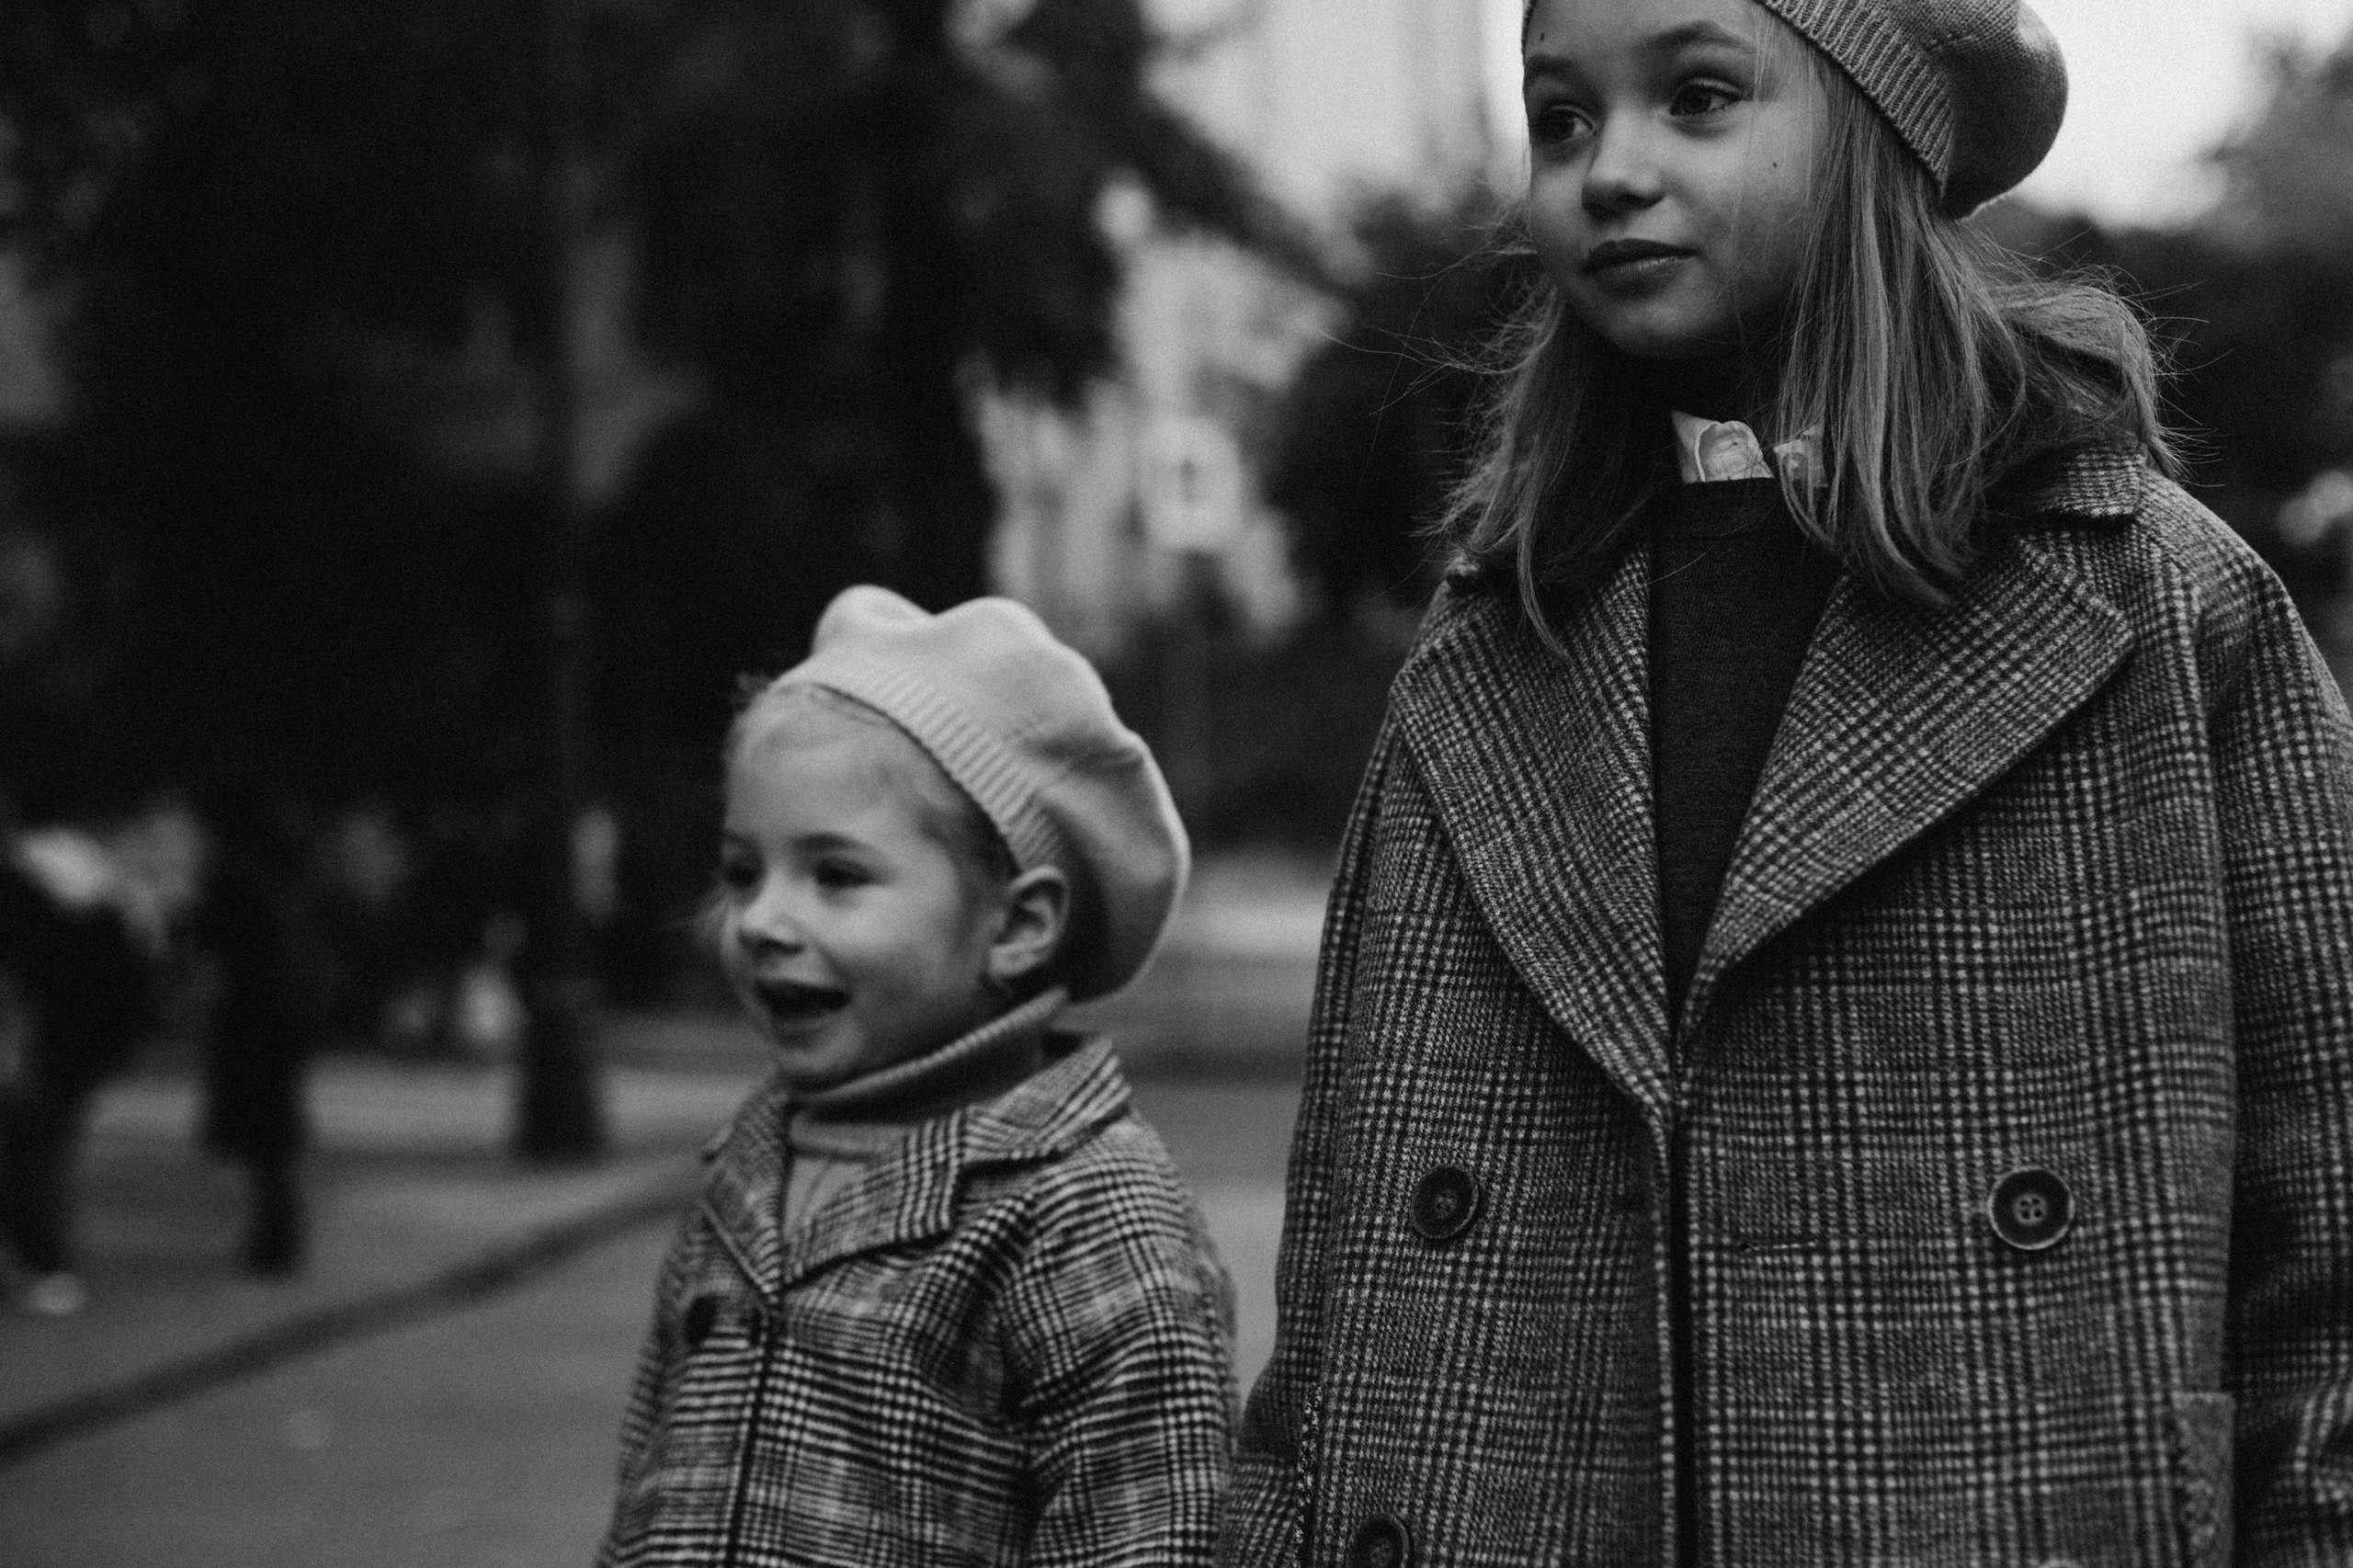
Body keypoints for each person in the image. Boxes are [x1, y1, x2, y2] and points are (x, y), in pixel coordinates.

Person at [1221, 2, 2353, 1563]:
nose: (1607, 169)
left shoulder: (2160, 612)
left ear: (1877, 140)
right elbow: (1344, 1286)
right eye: (1559, 117)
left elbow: (2331, 1284)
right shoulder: (1493, 641)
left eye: (1696, 96)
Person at [599, 586, 1235, 1567]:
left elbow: (1151, 1533)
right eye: (740, 871)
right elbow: (648, 1483)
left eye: (836, 875)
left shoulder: (1083, 1210)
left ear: (1018, 925)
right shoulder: (748, 1167)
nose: (761, 919)